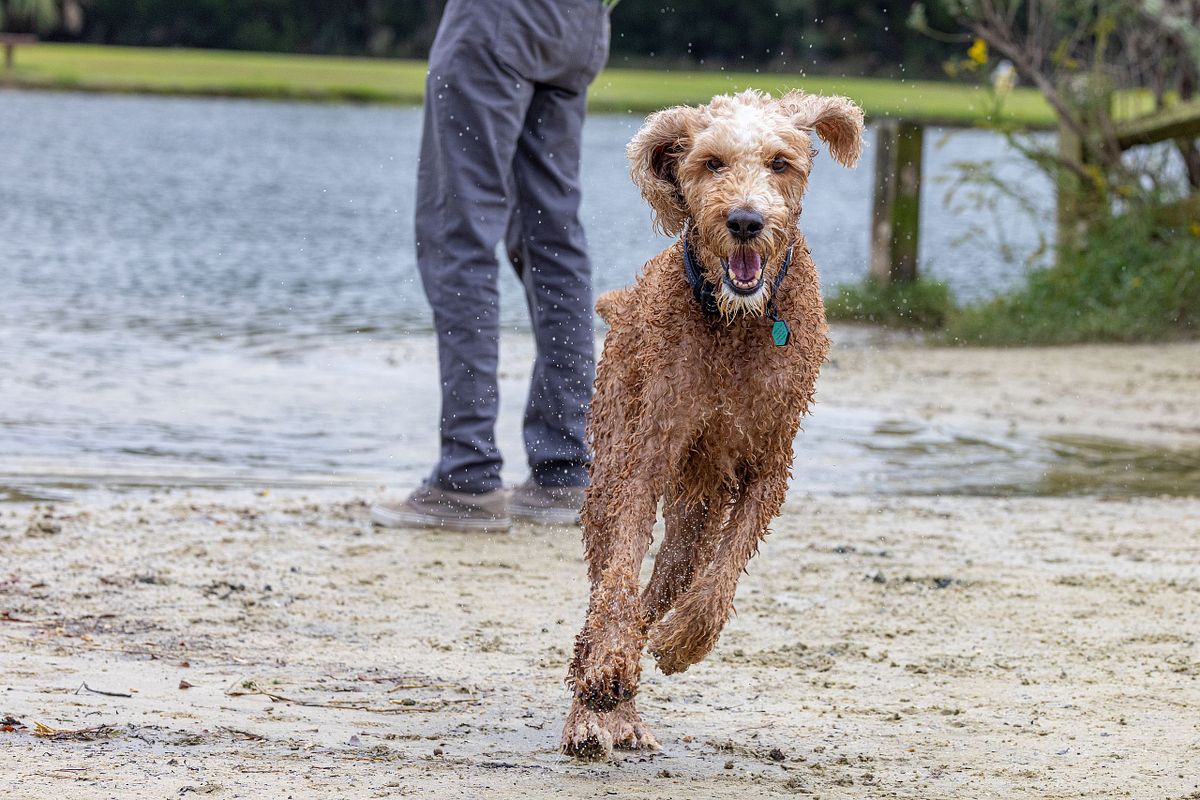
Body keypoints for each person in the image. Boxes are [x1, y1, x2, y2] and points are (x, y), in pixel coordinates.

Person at [371, 0, 612, 532]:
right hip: (580, 25)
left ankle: (467, 475)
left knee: (459, 235)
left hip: (497, 22)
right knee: (554, 240)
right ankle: (565, 470)